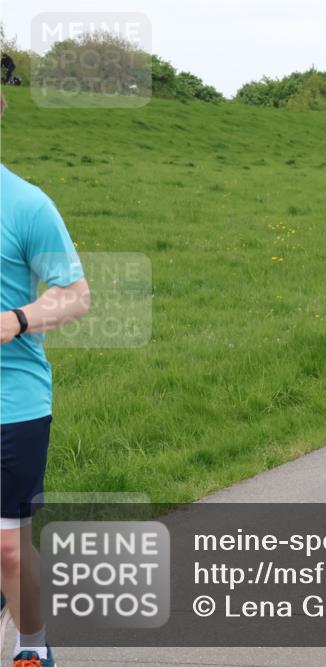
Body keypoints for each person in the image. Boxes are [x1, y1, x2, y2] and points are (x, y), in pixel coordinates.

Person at [1, 91, 91, 667]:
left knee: (9, 545)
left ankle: (31, 645)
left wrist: (18, 319)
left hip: (13, 401)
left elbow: (77, 297)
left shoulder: (26, 205)